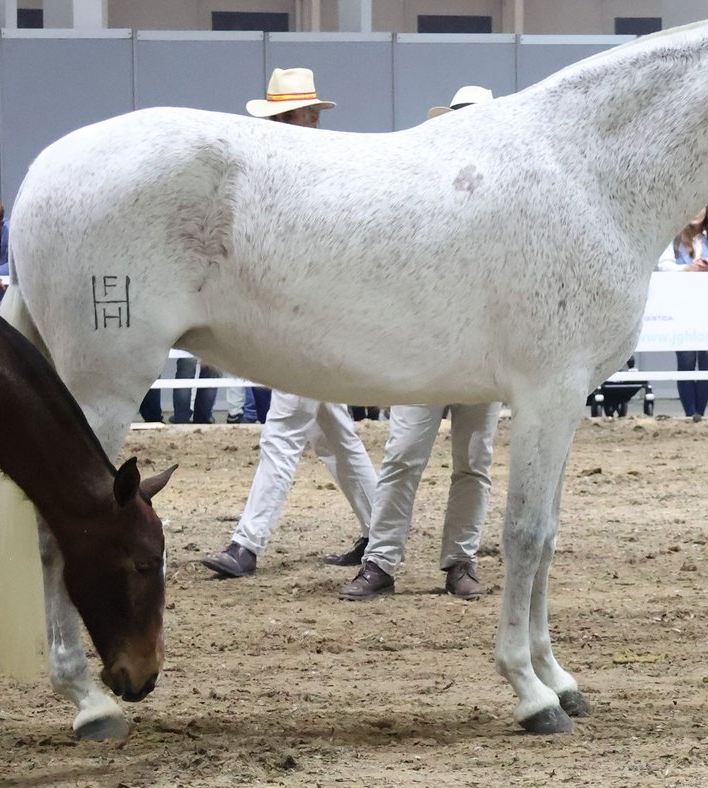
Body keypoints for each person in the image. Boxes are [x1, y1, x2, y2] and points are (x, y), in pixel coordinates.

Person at [204, 67, 376, 578]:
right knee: (334, 437)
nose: (280, 123)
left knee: (281, 433)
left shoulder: (321, 174)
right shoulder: (293, 171)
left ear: (305, 117)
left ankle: (246, 544)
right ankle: (383, 530)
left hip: (315, 324)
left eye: (287, 115)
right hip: (302, 320)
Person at [340, 85, 500, 602]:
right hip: (425, 344)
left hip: (483, 348)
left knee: (473, 461)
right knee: (405, 453)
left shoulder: (509, 197)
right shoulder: (423, 191)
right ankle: (381, 561)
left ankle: (459, 560)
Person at [656, 204, 708, 420]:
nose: (695, 211)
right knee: (685, 362)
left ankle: (700, 413)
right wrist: (687, 268)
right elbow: (664, 267)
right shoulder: (672, 238)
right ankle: (689, 414)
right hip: (682, 308)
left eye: (700, 206)